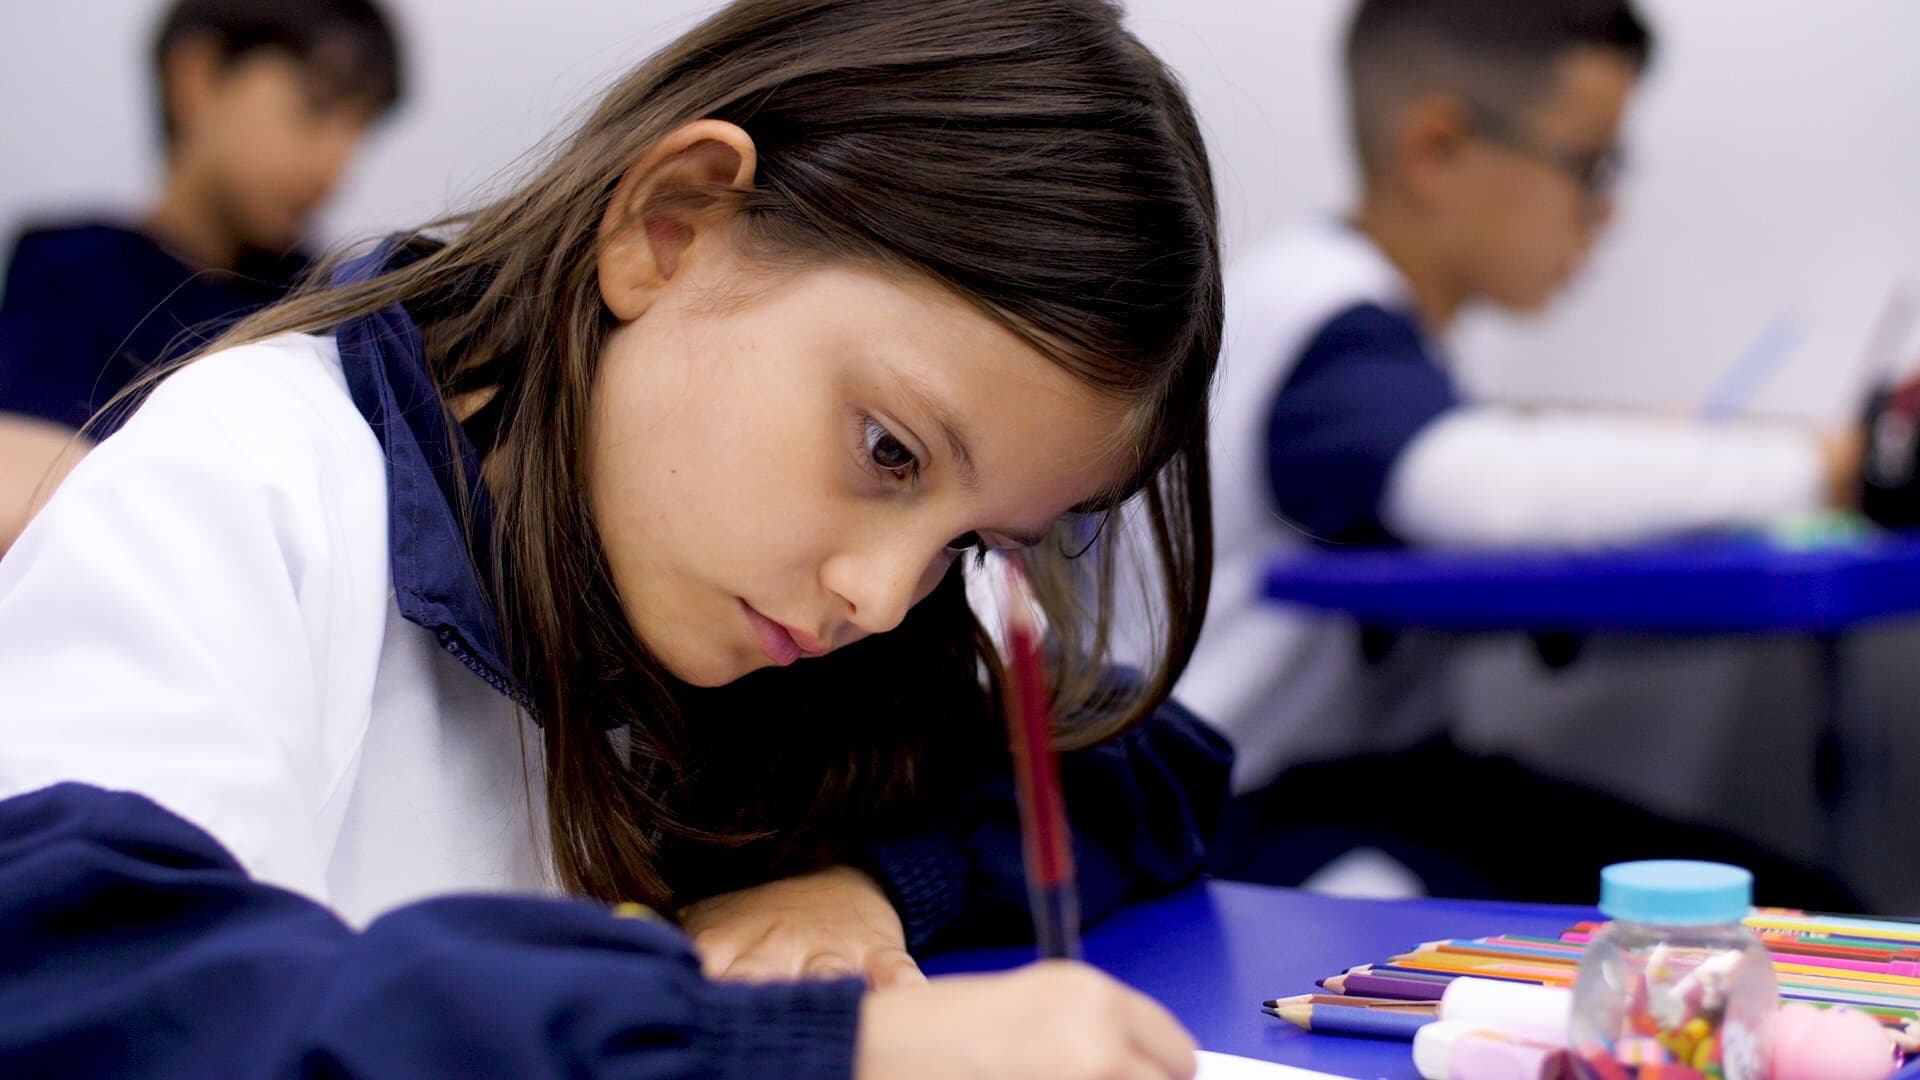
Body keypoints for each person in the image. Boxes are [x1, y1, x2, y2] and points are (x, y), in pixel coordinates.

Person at [0, 2, 1230, 1077]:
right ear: (673, 227)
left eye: (975, 544)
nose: (881, 594)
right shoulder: (258, 480)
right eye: (889, 453)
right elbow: (90, 990)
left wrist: (863, 886)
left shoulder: (778, 609)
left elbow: (1137, 754)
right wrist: (792, 1052)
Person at [0, 0, 404, 550]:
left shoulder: (336, 301)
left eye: (359, 130)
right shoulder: (73, 272)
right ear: (196, 78)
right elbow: (22, 482)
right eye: (315, 108)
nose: (336, 163)